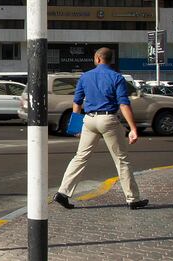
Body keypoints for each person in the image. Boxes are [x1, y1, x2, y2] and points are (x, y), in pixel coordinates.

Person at [54, 47, 149, 210]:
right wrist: (133, 128)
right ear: (110, 60)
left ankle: (63, 193)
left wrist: (75, 126)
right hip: (108, 119)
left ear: (97, 58)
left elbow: (77, 102)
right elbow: (124, 104)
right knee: (121, 159)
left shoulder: (85, 77)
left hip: (89, 120)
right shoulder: (117, 77)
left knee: (80, 157)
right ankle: (133, 199)